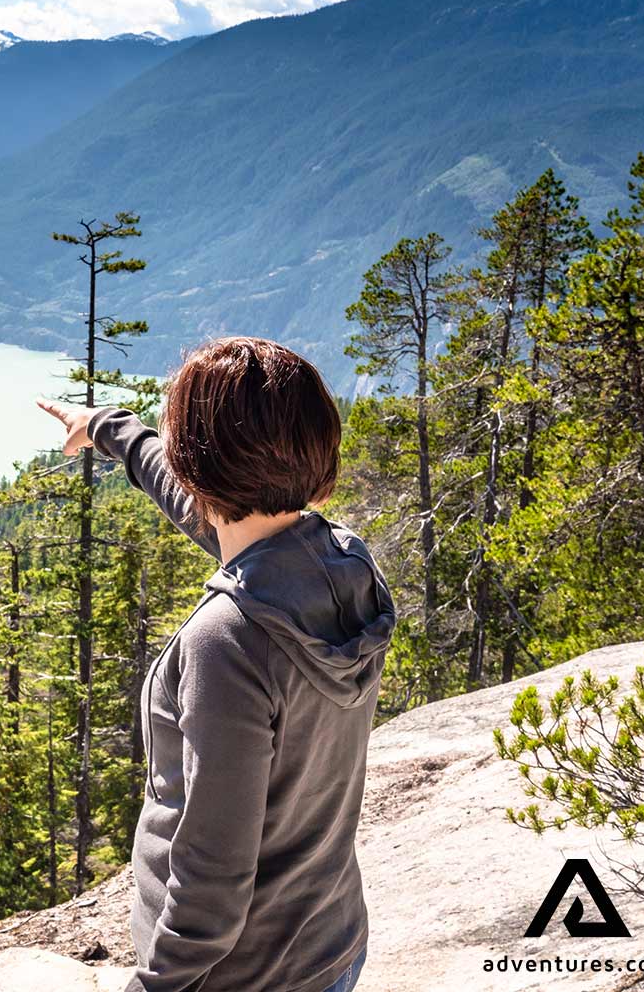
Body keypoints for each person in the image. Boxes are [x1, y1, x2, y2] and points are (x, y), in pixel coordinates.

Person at [37, 336, 394, 992]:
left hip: (238, 977)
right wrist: (110, 430)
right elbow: (209, 512)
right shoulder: (343, 564)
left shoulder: (226, 642)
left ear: (199, 464)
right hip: (327, 945)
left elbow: (212, 880)